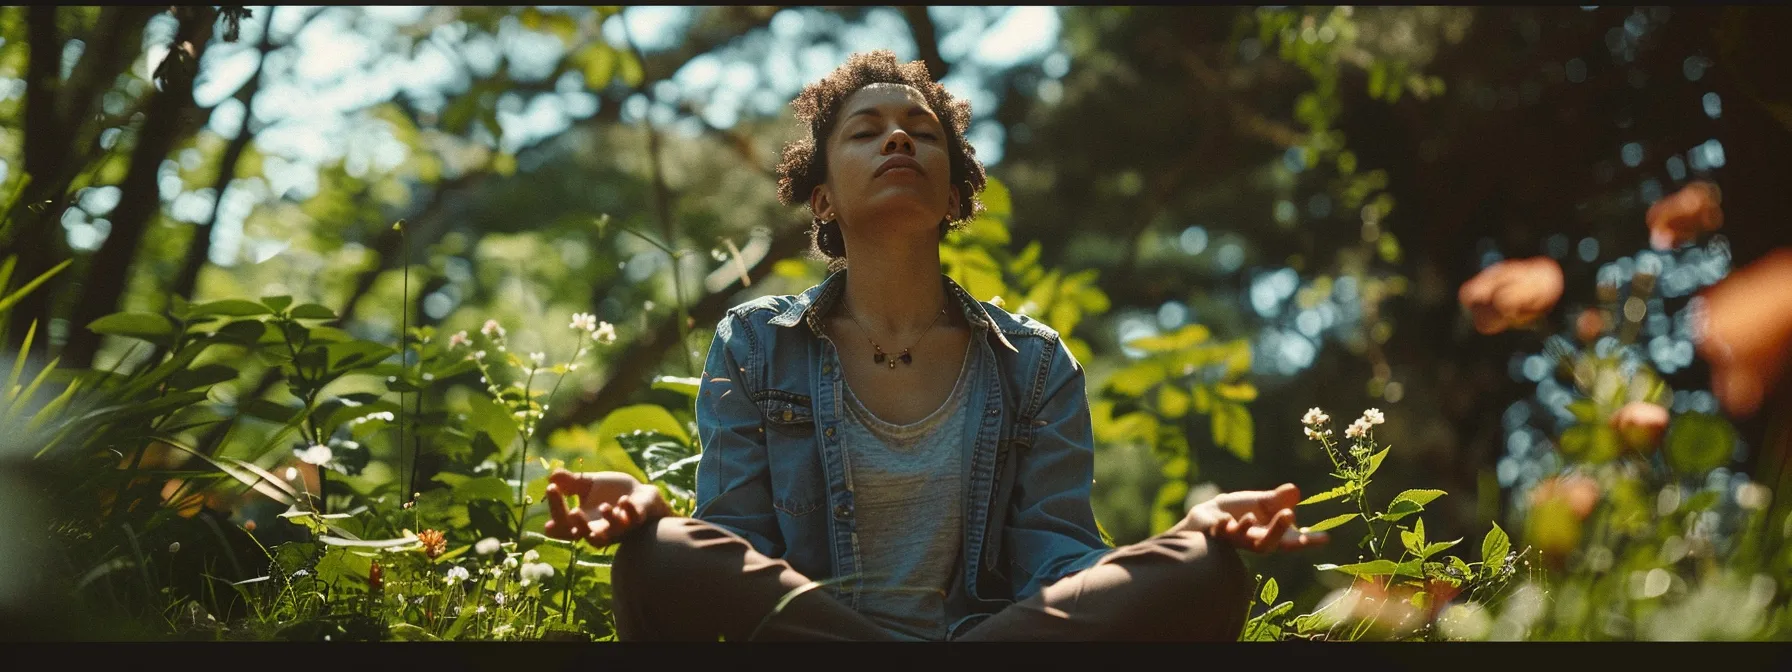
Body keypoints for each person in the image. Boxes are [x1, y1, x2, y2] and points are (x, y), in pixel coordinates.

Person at [542, 50, 1327, 642]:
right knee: (657, 555)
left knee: (1209, 570)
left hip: (989, 642)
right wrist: (654, 519)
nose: (897, 140)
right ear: (822, 197)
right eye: (867, 131)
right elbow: (743, 551)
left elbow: (1055, 564)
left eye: (921, 132)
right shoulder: (754, 342)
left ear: (953, 195)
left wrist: (1193, 532)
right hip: (816, 642)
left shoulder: (1037, 362)